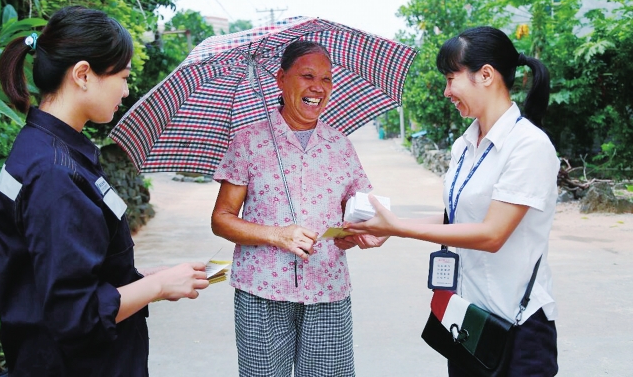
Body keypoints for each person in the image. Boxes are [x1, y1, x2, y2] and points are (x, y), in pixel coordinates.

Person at [0, 6, 209, 377]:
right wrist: (157, 286)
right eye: (122, 77)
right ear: (82, 74)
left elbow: (67, 270)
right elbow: (76, 314)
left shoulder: (44, 147)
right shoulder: (54, 173)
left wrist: (143, 278)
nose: (126, 91)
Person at [344, 26, 559, 376]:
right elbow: (454, 218)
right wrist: (388, 225)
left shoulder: (528, 146)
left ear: (485, 74)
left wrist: (398, 226)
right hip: (468, 320)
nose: (446, 92)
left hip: (518, 325)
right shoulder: (465, 145)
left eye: (450, 78)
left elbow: (492, 235)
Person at [211, 40, 381, 377]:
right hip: (261, 292)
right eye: (307, 76)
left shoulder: (340, 146)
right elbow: (222, 219)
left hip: (327, 289)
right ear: (280, 79)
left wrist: (359, 232)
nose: (318, 87)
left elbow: (364, 211)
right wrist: (277, 235)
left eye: (327, 79)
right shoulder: (248, 142)